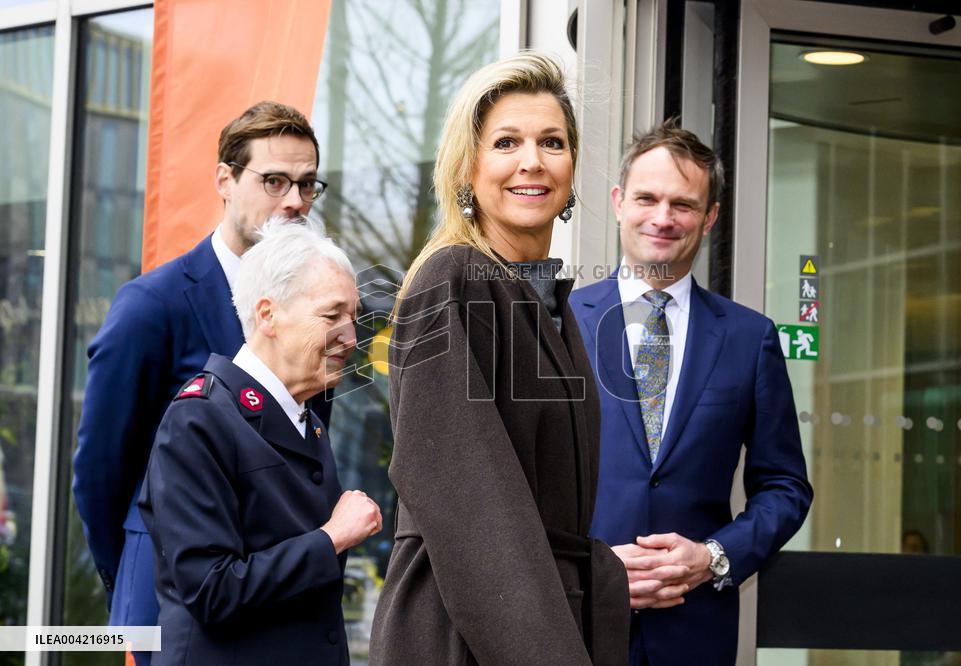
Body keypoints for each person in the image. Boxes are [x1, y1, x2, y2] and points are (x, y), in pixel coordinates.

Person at [368, 53, 629, 665]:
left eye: (553, 142)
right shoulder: (452, 279)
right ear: (468, 168)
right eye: (506, 142)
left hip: (539, 620)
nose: (532, 161)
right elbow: (468, 502)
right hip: (466, 630)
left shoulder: (546, 301)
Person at [72, 101, 332, 665]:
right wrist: (133, 587)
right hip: (169, 604)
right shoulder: (152, 305)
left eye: (308, 184)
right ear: (225, 180)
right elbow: (100, 470)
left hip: (278, 600)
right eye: (274, 181)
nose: (294, 201)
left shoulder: (314, 310)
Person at [568, 119, 812, 665]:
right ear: (617, 202)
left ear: (710, 217)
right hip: (574, 625)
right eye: (647, 198)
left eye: (682, 204)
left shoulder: (750, 339)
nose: (662, 218)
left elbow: (786, 486)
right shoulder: (557, 324)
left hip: (694, 634)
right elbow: (520, 485)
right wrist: (591, 569)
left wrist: (714, 556)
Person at [139, 221, 380, 664]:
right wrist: (332, 539)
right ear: (268, 315)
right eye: (331, 316)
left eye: (353, 316)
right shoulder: (200, 418)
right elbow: (211, 591)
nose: (350, 336)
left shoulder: (304, 415)